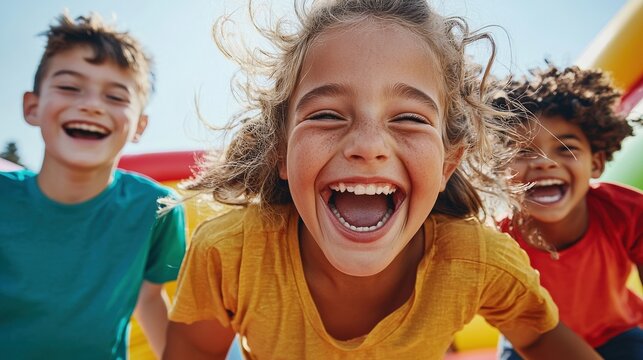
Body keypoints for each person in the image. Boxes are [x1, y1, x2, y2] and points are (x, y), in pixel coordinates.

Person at [163, 1, 600, 359]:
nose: (368, 146)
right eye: (327, 114)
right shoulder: (230, 254)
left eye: (409, 119)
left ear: (449, 162)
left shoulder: (478, 262)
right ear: (281, 151)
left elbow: (540, 338)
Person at [0, 13, 186, 359]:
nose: (91, 105)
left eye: (115, 97)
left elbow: (149, 298)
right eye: (70, 87)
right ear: (32, 106)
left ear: (139, 126)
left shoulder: (157, 208)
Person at [494, 64, 643, 359]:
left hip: (617, 332)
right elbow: (529, 335)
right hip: (531, 339)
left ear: (596, 163)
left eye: (566, 149)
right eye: (522, 151)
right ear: (499, 168)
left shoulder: (627, 211)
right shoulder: (498, 239)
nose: (544, 162)